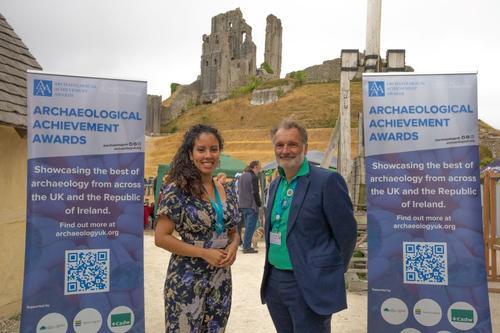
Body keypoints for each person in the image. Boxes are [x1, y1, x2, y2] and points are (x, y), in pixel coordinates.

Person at [260, 119, 357, 333]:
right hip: (275, 281)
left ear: (305, 146)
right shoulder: (276, 183)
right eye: (280, 145)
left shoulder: (327, 181)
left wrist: (328, 273)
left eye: (292, 144)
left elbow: (347, 235)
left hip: (310, 284)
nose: (285, 150)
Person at [155, 124, 241, 332]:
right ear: (190, 154)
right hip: (187, 280)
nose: (208, 155)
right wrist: (203, 253)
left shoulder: (226, 189)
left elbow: (233, 231)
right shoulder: (177, 189)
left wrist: (235, 245)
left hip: (220, 279)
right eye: (201, 149)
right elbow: (161, 237)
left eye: (213, 149)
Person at [238, 160, 262, 253]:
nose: (260, 169)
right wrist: (259, 203)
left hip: (243, 204)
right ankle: (247, 247)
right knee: (250, 227)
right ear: (255, 167)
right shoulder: (253, 177)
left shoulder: (241, 176)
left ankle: (245, 245)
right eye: (259, 167)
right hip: (252, 205)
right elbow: (255, 192)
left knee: (247, 226)